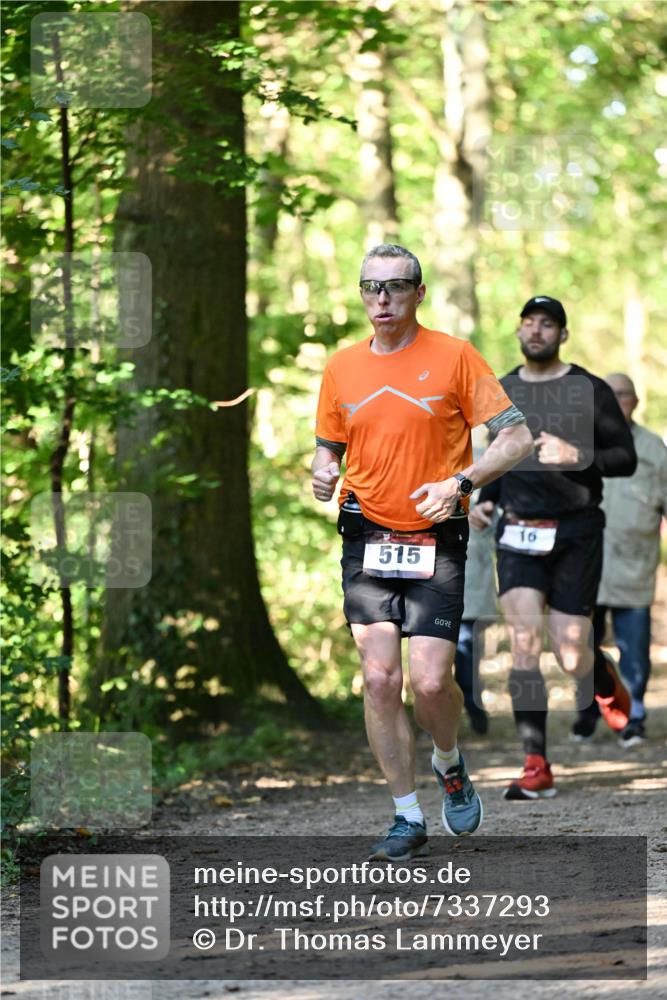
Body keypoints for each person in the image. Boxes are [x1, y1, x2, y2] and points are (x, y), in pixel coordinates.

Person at [312, 244, 533, 859]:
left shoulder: (456, 357)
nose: (382, 299)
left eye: (396, 287)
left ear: (418, 292)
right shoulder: (342, 367)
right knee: (381, 679)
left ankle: (450, 760)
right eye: (370, 287)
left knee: (432, 683)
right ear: (361, 294)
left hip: (437, 532)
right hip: (366, 533)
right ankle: (406, 816)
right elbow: (329, 446)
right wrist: (323, 472)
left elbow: (516, 437)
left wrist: (462, 483)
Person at [474, 296, 637, 800]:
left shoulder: (588, 388)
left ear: (562, 334)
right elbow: (502, 457)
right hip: (518, 531)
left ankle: (601, 674)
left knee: (570, 652)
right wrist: (484, 497)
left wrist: (578, 455)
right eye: (528, 323)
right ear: (519, 332)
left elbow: (624, 458)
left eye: (547, 324)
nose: (536, 331)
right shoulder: (503, 389)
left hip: (575, 530)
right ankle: (535, 764)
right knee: (524, 642)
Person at [572, 373, 667, 747]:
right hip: (585, 562)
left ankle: (635, 712)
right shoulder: (577, 444)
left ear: (635, 401)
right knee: (581, 640)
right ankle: (589, 712)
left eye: (622, 394)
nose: (615, 400)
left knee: (634, 644)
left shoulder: (654, 448)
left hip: (634, 565)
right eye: (607, 394)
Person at [454, 430, 499, 735]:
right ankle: (449, 711)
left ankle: (473, 706)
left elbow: (507, 513)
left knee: (468, 647)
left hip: (473, 570)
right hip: (430, 572)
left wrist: (487, 514)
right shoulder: (425, 453)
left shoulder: (491, 459)